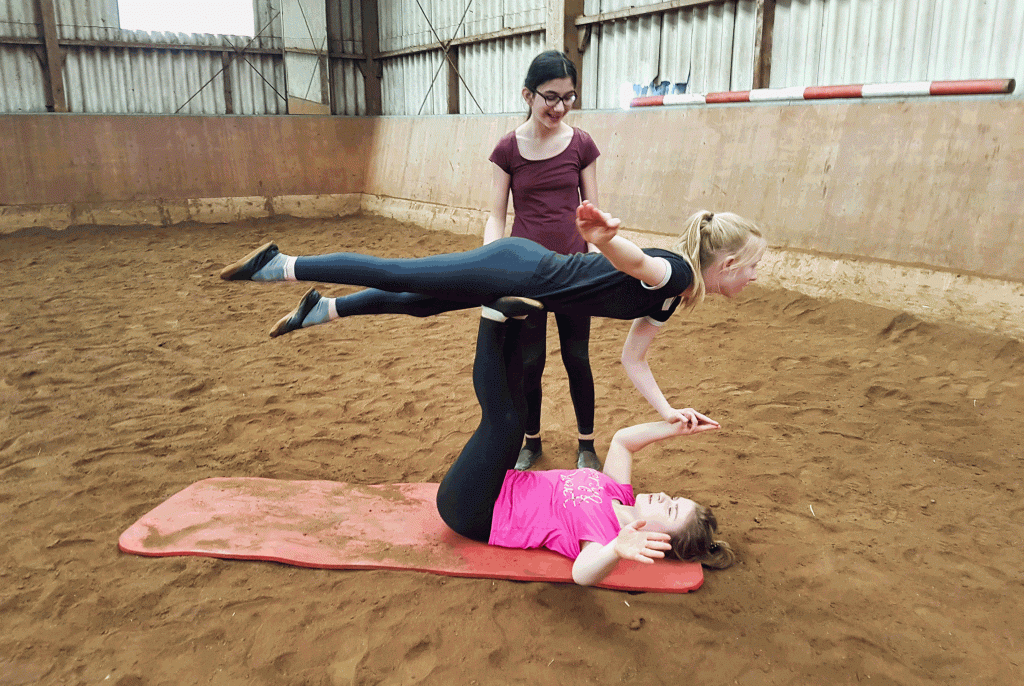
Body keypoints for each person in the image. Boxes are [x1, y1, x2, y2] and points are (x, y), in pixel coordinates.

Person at [220, 201, 766, 431]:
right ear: (728, 263)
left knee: (421, 304)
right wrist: (604, 239)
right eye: (754, 267)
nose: (755, 277)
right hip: (517, 267)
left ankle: (325, 308)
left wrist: (668, 410)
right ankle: (282, 265)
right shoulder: (674, 274)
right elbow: (637, 262)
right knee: (402, 274)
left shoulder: (672, 299)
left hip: (522, 281)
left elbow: (634, 360)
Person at [436, 302, 734, 585]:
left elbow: (581, 574)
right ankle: (512, 322)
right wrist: (674, 427)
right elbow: (623, 442)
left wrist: (616, 549)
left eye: (670, 510)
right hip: (499, 484)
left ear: (659, 540)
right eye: (675, 498)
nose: (664, 497)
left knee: (506, 425)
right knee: (519, 409)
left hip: (474, 509)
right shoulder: (619, 492)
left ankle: (491, 318)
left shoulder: (605, 536)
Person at [483, 50, 602, 472]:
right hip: (526, 273)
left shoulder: (582, 144)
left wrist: (599, 261)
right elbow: (497, 216)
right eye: (551, 97)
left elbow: (594, 213)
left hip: (573, 271)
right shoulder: (507, 149)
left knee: (577, 358)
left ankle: (587, 444)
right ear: (528, 95)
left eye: (569, 97)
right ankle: (531, 441)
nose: (560, 107)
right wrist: (489, 265)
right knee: (529, 362)